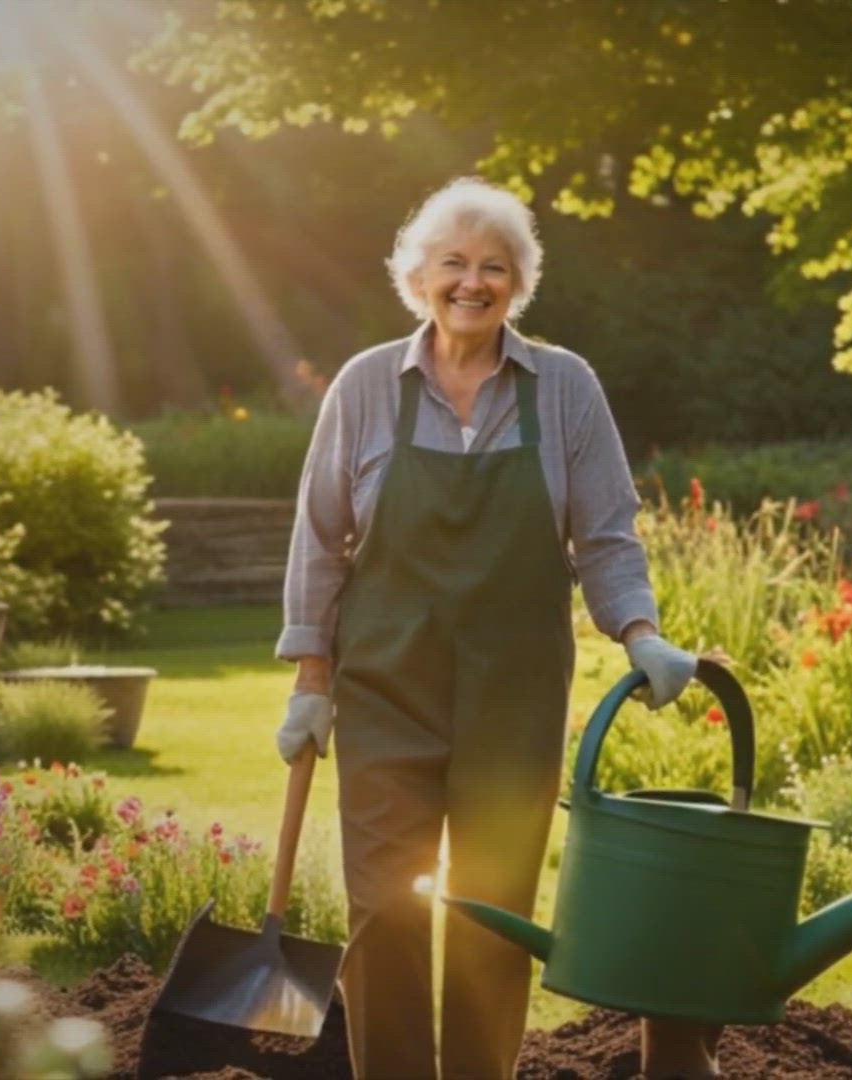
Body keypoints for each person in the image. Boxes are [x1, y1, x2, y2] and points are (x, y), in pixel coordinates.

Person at [274, 176, 717, 1079]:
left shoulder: (564, 387)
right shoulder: (366, 387)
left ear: (519, 284)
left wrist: (640, 633)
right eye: (453, 263)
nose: (472, 282)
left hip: (513, 700)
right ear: (417, 279)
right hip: (385, 691)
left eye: (495, 266)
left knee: (494, 914)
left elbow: (605, 534)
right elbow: (320, 541)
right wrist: (311, 681)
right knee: (383, 909)